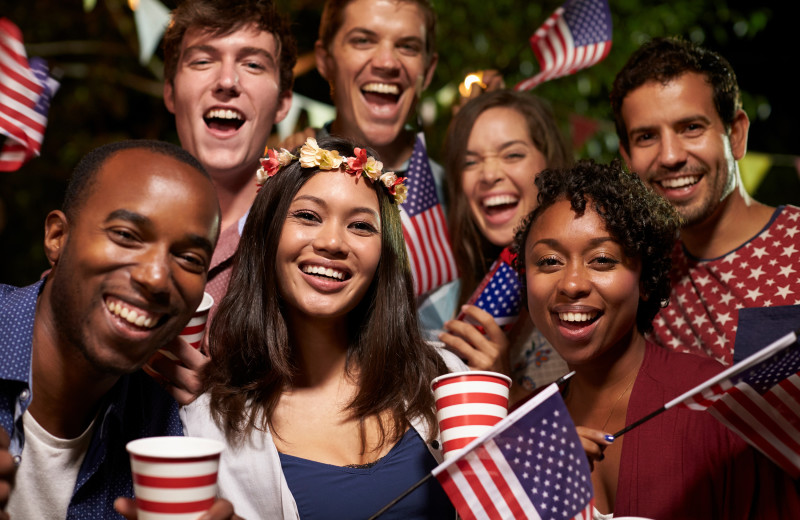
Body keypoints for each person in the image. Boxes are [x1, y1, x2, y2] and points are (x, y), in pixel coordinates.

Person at [181, 136, 462, 519]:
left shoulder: (446, 379)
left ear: (384, 257)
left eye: (361, 225)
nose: (332, 242)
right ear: (266, 235)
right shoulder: (206, 427)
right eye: (308, 216)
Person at [514, 159, 799, 519]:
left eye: (601, 260)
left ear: (645, 279)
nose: (571, 283)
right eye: (549, 261)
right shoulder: (517, 432)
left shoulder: (718, 406)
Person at [0, 140, 235, 519]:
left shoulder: (162, 430)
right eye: (126, 236)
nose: (157, 278)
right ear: (57, 237)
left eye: (190, 259)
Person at [610, 37, 800, 365]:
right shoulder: (642, 275)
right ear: (627, 157)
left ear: (736, 134)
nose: (670, 156)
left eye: (691, 128)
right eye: (646, 137)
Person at [420, 90, 572, 404]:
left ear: (549, 164)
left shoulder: (586, 287)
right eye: (470, 162)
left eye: (512, 155)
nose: (489, 174)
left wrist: (504, 390)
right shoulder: (440, 309)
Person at [162, 0, 297, 319]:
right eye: (203, 61)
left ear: (282, 103)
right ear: (170, 92)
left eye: (252, 65)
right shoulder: (117, 217)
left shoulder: (305, 237)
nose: (227, 81)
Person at [283, 0, 442, 198]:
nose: (387, 62)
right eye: (363, 41)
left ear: (427, 71)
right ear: (325, 61)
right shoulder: (281, 183)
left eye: (408, 46)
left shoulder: (458, 197)